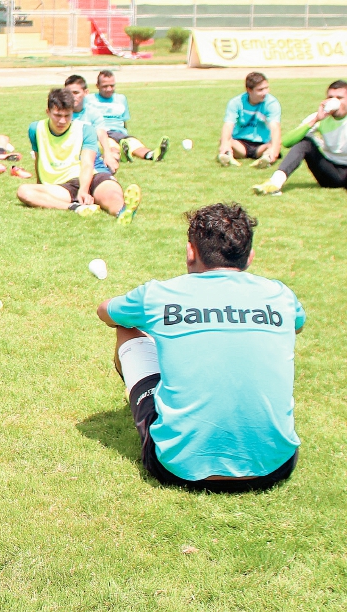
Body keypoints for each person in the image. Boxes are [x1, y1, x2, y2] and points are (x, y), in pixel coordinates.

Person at [97, 202, 303, 491]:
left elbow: (106, 312)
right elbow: (297, 326)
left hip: (178, 467)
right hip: (274, 466)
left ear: (190, 252)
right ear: (249, 258)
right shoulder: (281, 295)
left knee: (126, 327)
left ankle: (154, 402)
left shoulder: (159, 294)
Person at [16, 88, 140, 221]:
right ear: (48, 112)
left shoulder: (85, 130)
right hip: (62, 186)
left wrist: (84, 190)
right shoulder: (36, 129)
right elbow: (39, 158)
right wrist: (40, 185)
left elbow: (87, 163)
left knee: (111, 194)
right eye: (58, 115)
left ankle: (122, 212)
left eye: (67, 116)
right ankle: (75, 207)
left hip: (92, 176)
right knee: (24, 191)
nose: (62, 121)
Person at [253, 80, 347, 194]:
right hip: (329, 171)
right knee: (305, 143)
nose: (334, 101)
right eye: (330, 97)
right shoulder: (320, 118)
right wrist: (315, 120)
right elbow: (287, 142)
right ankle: (275, 182)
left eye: (339, 98)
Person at [86, 70, 168, 170]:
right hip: (101, 133)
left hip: (119, 133)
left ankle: (152, 154)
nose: (109, 89)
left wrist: (124, 133)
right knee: (112, 146)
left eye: (112, 86)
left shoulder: (121, 99)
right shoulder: (89, 99)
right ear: (97, 86)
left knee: (135, 145)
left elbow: (124, 120)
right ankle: (121, 155)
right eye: (105, 86)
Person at [218, 72, 282, 168]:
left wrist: (275, 148)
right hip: (240, 144)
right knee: (225, 140)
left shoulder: (271, 103)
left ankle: (267, 157)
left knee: (273, 145)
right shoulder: (236, 102)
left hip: (262, 145)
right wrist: (224, 143)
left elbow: (275, 127)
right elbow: (228, 124)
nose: (265, 92)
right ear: (249, 90)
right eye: (260, 90)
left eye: (266, 88)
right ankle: (227, 155)